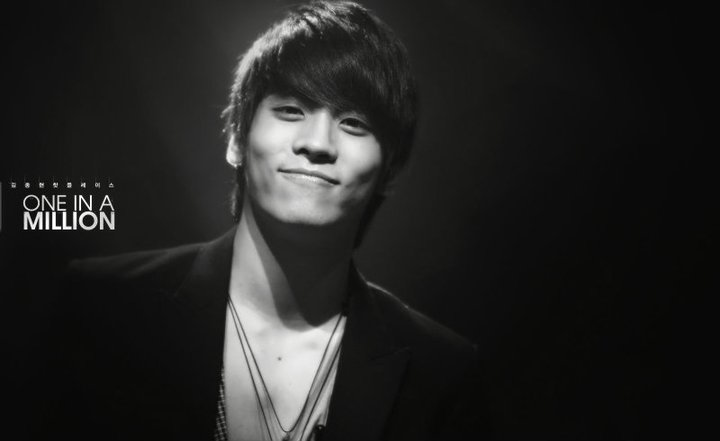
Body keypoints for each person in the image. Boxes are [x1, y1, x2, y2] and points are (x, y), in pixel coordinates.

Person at [45, 2, 491, 440]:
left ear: (389, 171)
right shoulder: (103, 307)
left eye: (354, 123)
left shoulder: (440, 373)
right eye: (291, 110)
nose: (318, 143)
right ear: (237, 140)